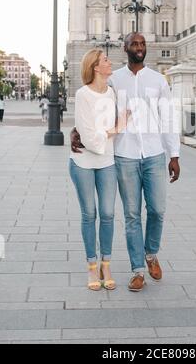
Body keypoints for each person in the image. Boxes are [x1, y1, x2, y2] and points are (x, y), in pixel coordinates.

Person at [72, 33, 181, 292]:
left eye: (143, 44)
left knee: (157, 210)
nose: (140, 47)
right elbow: (96, 106)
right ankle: (138, 271)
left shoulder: (158, 80)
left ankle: (151, 253)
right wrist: (77, 130)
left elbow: (167, 118)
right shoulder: (114, 81)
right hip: (124, 156)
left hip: (154, 155)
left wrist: (173, 154)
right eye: (135, 44)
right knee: (131, 215)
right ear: (126, 48)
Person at [70, 48, 130, 291]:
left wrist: (114, 129)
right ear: (96, 66)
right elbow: (86, 134)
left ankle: (107, 263)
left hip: (107, 162)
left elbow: (112, 128)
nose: (110, 62)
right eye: (105, 60)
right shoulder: (83, 95)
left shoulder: (112, 93)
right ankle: (91, 266)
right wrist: (115, 130)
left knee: (107, 214)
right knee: (89, 215)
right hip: (83, 163)